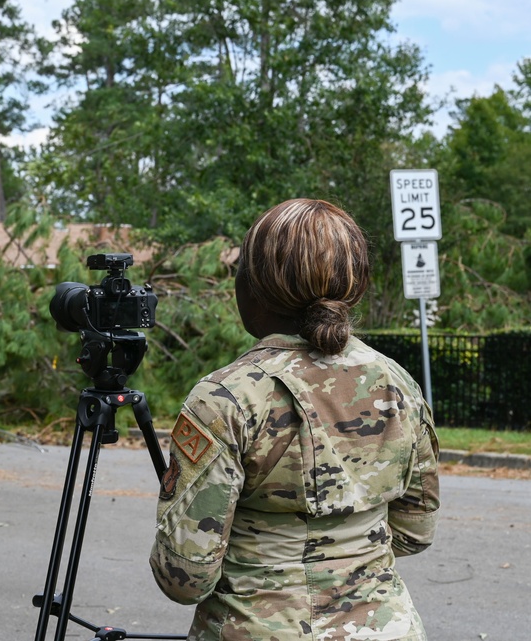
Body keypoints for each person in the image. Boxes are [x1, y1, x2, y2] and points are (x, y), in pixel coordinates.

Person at [150, 199, 440, 640]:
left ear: (255, 286)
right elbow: (414, 532)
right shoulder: (398, 383)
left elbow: (184, 577)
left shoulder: (227, 397)